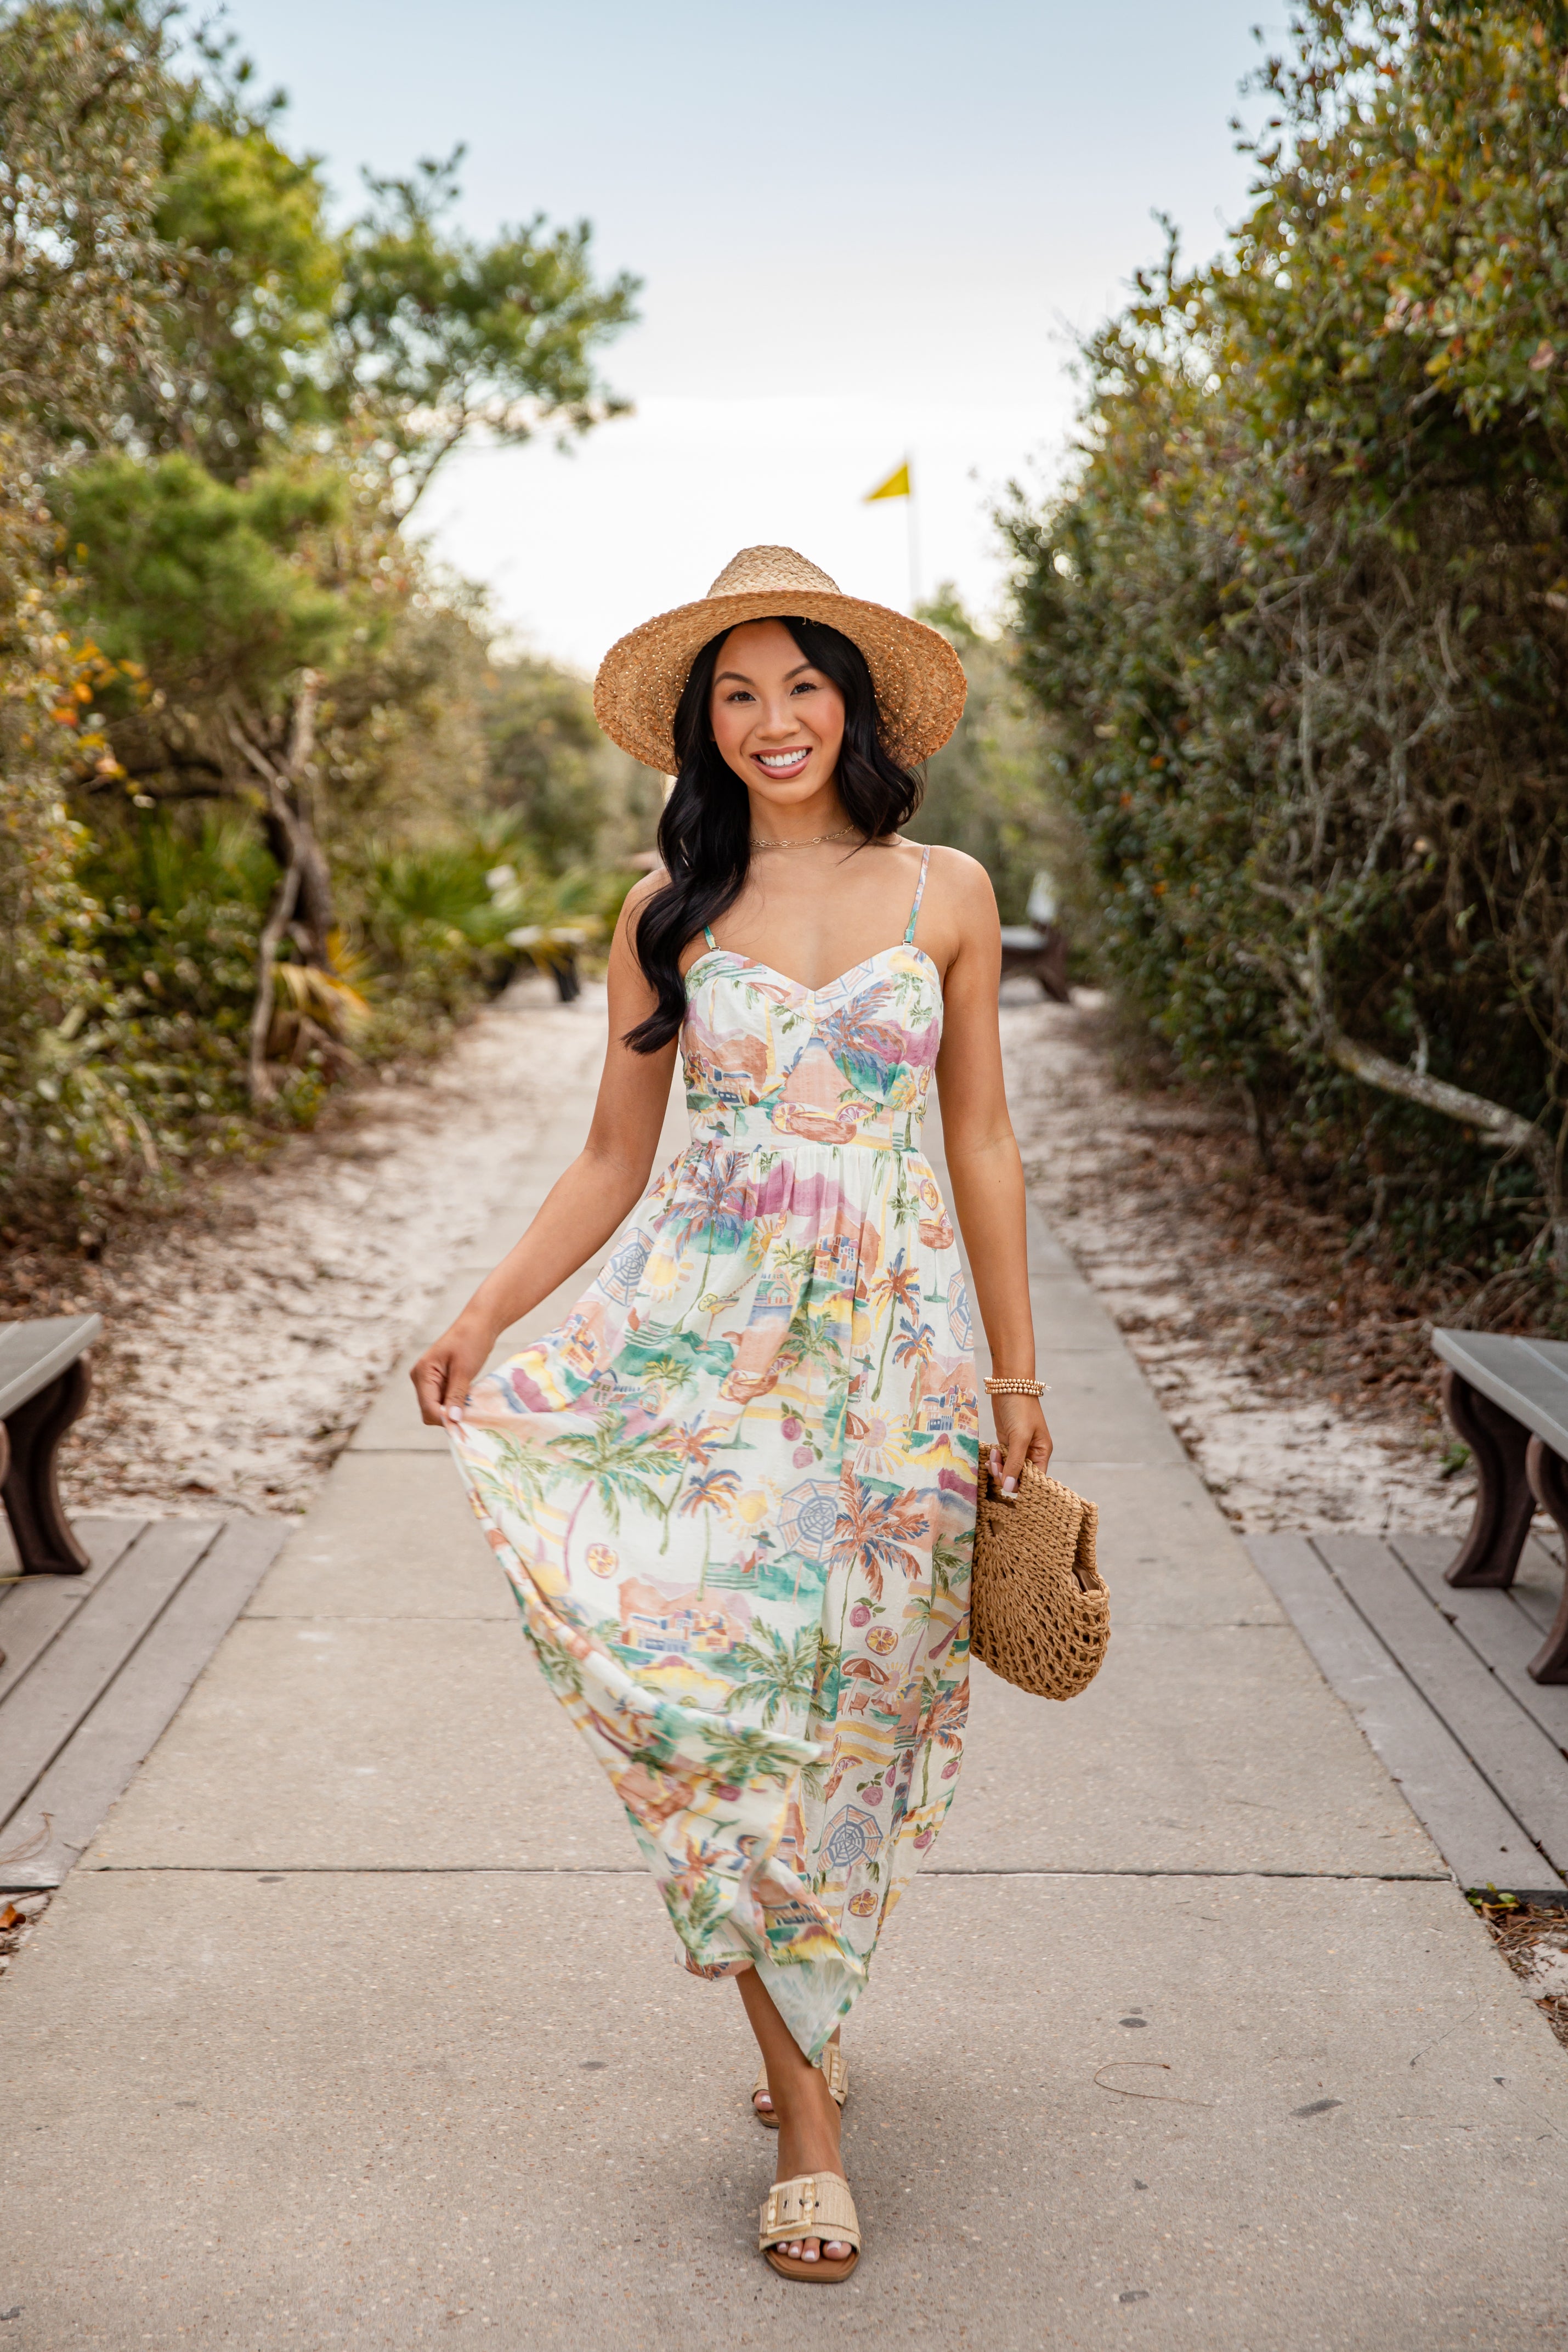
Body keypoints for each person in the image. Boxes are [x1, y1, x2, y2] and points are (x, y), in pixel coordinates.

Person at [411, 546, 1053, 2283]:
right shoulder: (665, 912)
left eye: (802, 687)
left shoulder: (946, 892)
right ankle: (809, 2120)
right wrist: (482, 1314)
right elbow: (611, 1158)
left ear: (853, 706)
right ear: (704, 727)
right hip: (706, 1373)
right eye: (739, 696)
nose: (774, 721)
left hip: (896, 1378)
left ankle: (806, 2008)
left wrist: (1014, 1377)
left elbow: (981, 1141)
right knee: (732, 1723)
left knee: (859, 1721)